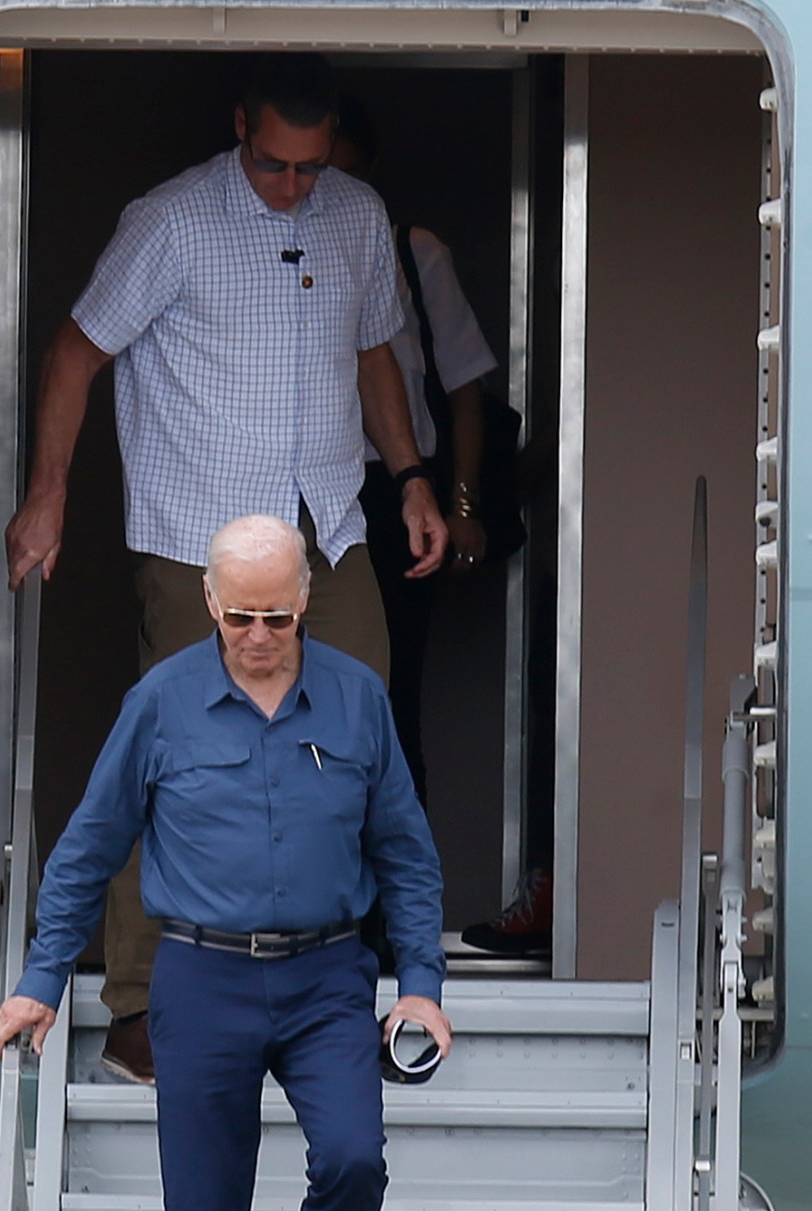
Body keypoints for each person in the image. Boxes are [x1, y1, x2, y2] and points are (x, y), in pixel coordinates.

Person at [4, 55, 449, 1085]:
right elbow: (75, 351)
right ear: (239, 125)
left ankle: (339, 984)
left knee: (355, 743)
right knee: (177, 761)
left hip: (328, 527)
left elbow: (376, 352)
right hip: (198, 535)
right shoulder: (172, 220)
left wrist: (413, 478)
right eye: (271, 163)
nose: (291, 183)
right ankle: (140, 1010)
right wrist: (49, 492)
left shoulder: (356, 214)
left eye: (308, 165)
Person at [0, 514, 453, 1211]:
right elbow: (88, 849)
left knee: (357, 1163)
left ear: (306, 600)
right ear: (208, 601)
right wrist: (42, 978)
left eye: (277, 618)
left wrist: (422, 985)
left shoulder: (357, 700)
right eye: (240, 616)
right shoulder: (160, 704)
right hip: (201, 980)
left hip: (327, 979)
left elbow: (405, 853)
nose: (257, 637)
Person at [331, 100, 501, 799]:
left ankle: (394, 906)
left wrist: (459, 501)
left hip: (398, 491)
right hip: (302, 488)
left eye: (339, 177)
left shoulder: (411, 252)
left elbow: (463, 390)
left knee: (392, 697)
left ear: (369, 177)